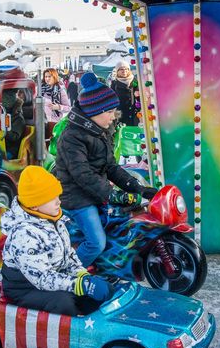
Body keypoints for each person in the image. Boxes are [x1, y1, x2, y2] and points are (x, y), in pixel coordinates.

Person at [56, 72, 158, 267]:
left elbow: (111, 167)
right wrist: (111, 194)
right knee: (96, 243)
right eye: (109, 112)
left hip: (95, 193)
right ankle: (69, 275)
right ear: (95, 111)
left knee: (124, 224)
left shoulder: (98, 132)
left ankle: (108, 268)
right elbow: (82, 175)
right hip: (77, 198)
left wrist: (137, 188)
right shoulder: (71, 137)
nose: (113, 117)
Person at [1, 166, 114, 316]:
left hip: (52, 276)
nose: (58, 202)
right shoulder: (23, 234)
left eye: (58, 196)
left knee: (95, 292)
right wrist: (79, 285)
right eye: (51, 198)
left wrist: (83, 276)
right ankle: (68, 334)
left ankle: (95, 323)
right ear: (34, 204)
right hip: (25, 287)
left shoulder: (54, 220)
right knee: (63, 302)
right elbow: (42, 277)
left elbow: (69, 256)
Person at [41, 68, 71, 141]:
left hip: (54, 123)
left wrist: (58, 107)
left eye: (49, 76)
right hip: (41, 122)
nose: (47, 79)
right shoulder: (40, 89)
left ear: (54, 77)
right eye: (46, 76)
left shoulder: (60, 90)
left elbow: (69, 108)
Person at [110, 60, 139, 127]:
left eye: (126, 69)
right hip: (121, 114)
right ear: (117, 71)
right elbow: (112, 100)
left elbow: (140, 96)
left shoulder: (135, 81)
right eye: (121, 69)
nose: (124, 71)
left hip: (134, 113)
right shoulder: (114, 83)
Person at [2, 89, 26, 159]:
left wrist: (5, 129)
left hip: (12, 149)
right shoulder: (1, 114)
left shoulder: (18, 118)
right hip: (1, 145)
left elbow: (14, 137)